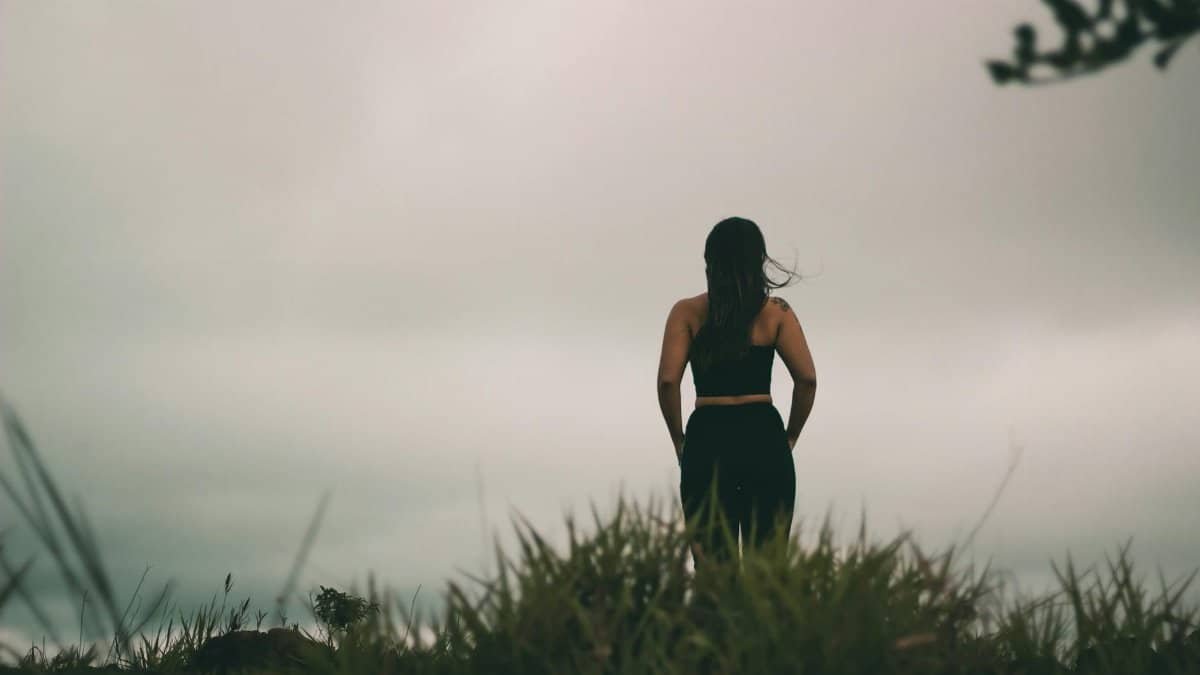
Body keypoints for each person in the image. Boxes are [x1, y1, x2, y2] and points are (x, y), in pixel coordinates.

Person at [656, 216, 817, 568]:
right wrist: (789, 436)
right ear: (757, 260)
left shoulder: (687, 313)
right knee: (769, 573)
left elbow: (668, 381)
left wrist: (679, 441)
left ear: (709, 263)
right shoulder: (776, 313)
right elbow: (807, 380)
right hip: (764, 437)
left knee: (713, 571)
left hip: (707, 439)